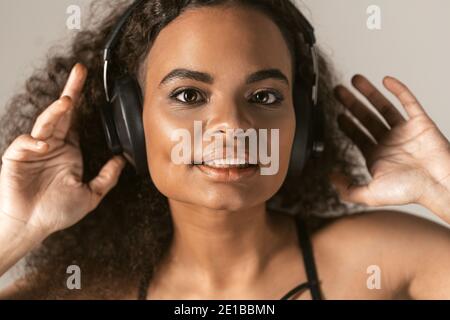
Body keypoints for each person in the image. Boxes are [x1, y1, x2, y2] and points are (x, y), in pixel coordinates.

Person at [0, 0, 449, 300]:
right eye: (189, 96)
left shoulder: (382, 261)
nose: (233, 128)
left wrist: (443, 188)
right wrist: (15, 230)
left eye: (265, 97)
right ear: (129, 124)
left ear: (302, 121)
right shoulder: (82, 291)